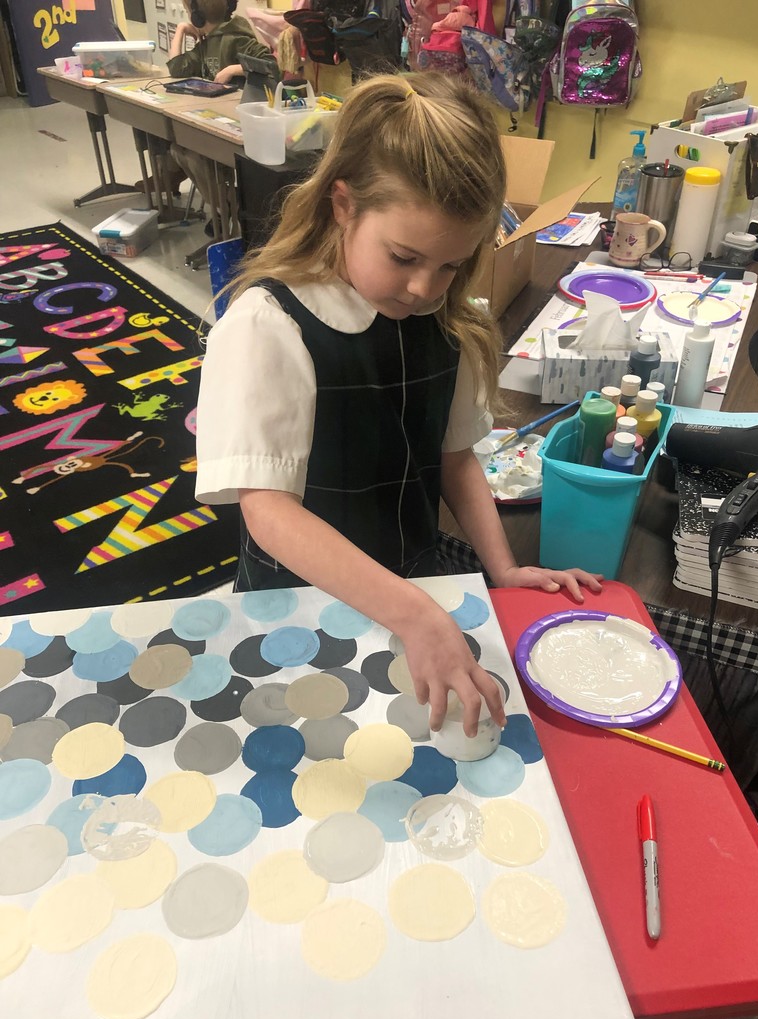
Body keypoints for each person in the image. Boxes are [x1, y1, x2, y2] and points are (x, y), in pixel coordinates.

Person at [195, 73, 602, 737]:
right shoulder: (268, 325)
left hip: (416, 586)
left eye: (449, 265)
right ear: (343, 206)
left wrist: (501, 568)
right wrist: (413, 613)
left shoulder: (449, 321)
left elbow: (455, 459)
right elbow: (267, 509)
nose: (423, 288)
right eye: (404, 257)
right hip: (297, 607)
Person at [162, 0, 276, 231]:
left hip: (238, 124)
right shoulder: (207, 42)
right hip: (212, 120)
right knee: (178, 150)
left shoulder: (237, 37)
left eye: (189, 13)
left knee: (196, 157)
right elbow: (177, 68)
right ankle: (226, 207)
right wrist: (181, 30)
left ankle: (229, 208)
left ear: (197, 16)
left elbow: (271, 65)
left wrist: (233, 69)